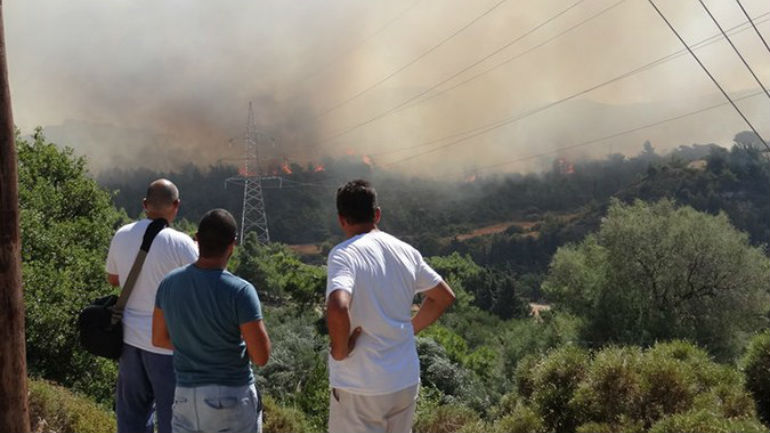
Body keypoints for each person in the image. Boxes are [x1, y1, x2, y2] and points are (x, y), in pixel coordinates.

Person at [326, 180, 456, 433]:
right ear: (377, 214)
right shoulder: (406, 251)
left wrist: (340, 351)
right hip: (404, 380)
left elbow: (337, 306)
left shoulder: (344, 255)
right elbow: (444, 296)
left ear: (342, 220)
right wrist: (409, 330)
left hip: (360, 383)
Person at [152, 208, 270, 433]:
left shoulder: (169, 283)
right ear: (232, 245)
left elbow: (159, 338)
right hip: (231, 396)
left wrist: (194, 346)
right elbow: (261, 356)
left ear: (196, 239)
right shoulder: (240, 291)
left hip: (185, 397)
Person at [106, 179, 198, 433]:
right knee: (173, 419)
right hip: (167, 345)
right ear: (176, 206)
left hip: (129, 342)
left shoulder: (122, 234)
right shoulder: (182, 244)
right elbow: (199, 285)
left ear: (145, 205)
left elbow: (113, 279)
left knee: (132, 417)